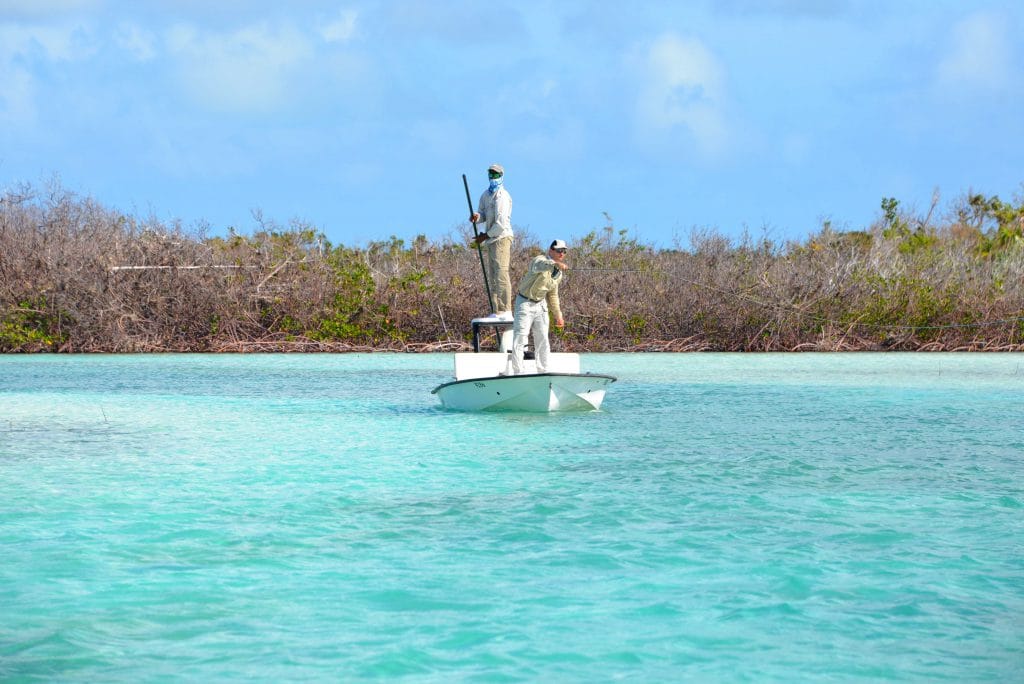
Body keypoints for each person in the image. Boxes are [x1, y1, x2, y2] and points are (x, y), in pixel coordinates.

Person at [508, 239, 569, 375]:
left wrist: (558, 315)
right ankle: (518, 371)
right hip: (525, 302)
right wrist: (556, 264)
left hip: (541, 305)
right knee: (521, 337)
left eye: (564, 251)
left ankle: (543, 371)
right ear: (551, 250)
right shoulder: (539, 260)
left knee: (542, 338)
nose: (562, 253)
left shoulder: (558, 274)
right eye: (559, 250)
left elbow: (553, 295)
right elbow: (541, 265)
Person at [470, 163, 513, 320]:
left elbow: (501, 224)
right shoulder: (485, 195)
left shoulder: (503, 196)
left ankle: (506, 310)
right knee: (492, 274)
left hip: (501, 238)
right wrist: (476, 217)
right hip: (491, 240)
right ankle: (497, 311)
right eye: (491, 174)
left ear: (501, 176)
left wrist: (485, 236)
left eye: (496, 175)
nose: (493, 177)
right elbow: (482, 214)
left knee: (501, 272)